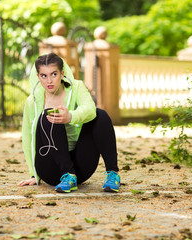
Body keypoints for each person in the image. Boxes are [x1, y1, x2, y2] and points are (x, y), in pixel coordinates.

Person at [17, 52, 120, 193]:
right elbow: (27, 136)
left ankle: (112, 174)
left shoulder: (77, 87)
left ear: (62, 73)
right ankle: (67, 175)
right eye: (44, 76)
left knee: (100, 115)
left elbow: (89, 109)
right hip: (51, 168)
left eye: (54, 74)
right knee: (46, 116)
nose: (49, 81)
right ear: (38, 77)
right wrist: (34, 174)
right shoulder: (32, 101)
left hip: (81, 167)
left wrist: (70, 117)